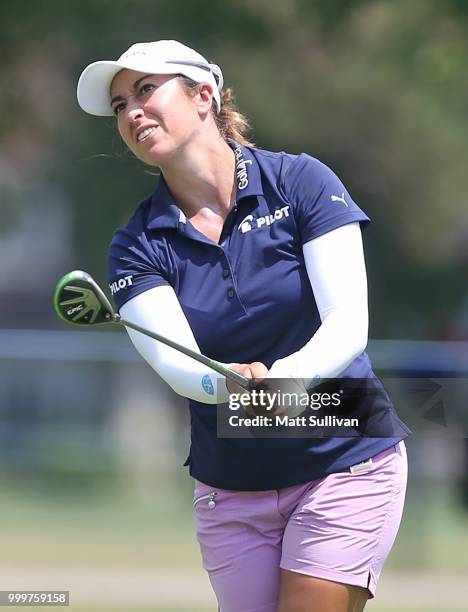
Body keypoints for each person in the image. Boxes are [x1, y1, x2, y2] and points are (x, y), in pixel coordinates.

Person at [77, 40, 410, 612]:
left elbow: (348, 323)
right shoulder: (135, 245)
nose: (130, 112)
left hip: (346, 457)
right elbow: (179, 366)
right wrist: (222, 383)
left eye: (145, 90)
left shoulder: (301, 181)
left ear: (203, 95)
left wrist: (281, 380)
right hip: (231, 487)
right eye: (118, 105)